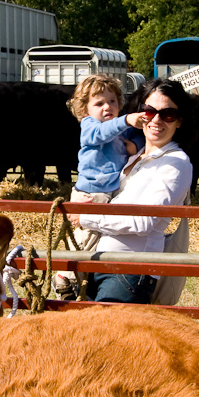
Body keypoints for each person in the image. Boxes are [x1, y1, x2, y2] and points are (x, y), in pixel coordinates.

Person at [70, 77, 194, 304]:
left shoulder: (176, 163)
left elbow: (143, 221)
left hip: (129, 271)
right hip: (100, 264)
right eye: (149, 111)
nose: (156, 119)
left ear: (179, 121)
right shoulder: (133, 157)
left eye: (168, 114)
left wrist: (86, 217)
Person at [54, 74, 145, 299]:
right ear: (85, 110)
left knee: (99, 237)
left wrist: (135, 143)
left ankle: (85, 281)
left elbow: (140, 134)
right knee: (88, 235)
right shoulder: (90, 125)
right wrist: (125, 120)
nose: (108, 107)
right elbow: (100, 135)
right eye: (99, 103)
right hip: (92, 192)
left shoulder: (118, 127)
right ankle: (64, 275)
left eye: (112, 101)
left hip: (109, 192)